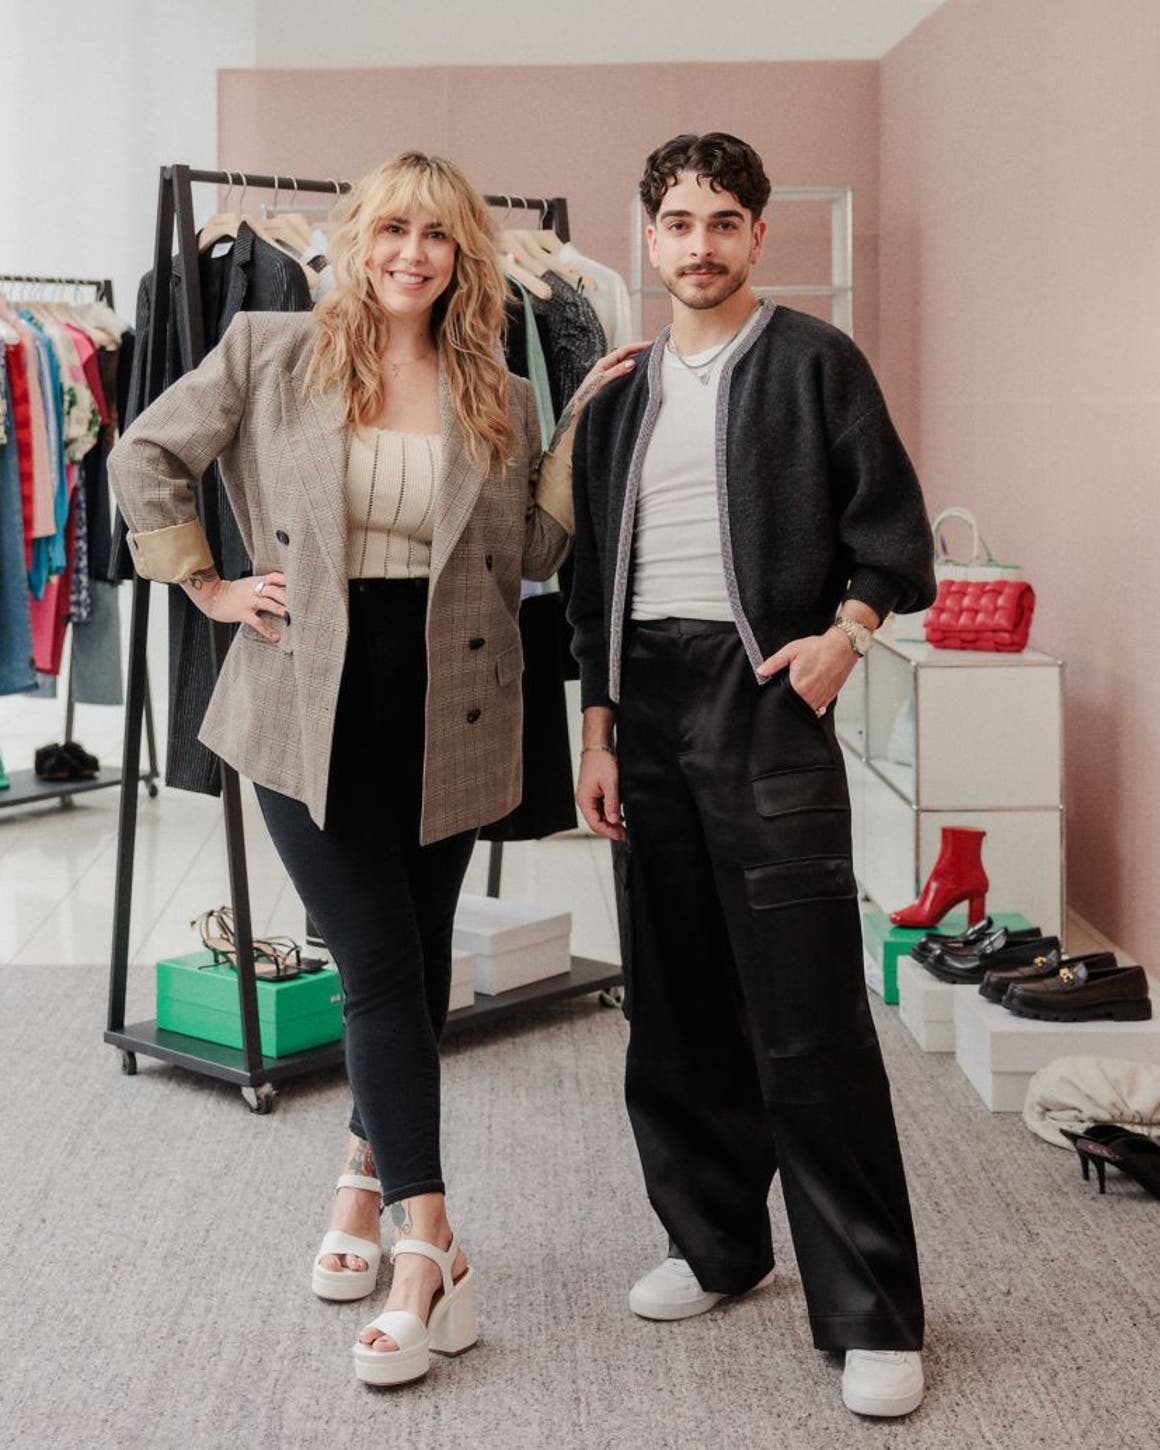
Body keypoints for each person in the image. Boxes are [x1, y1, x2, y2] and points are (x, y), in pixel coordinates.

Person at [109, 151, 640, 1388]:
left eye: (437, 237)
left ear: (466, 257)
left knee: (412, 953)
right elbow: (144, 456)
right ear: (355, 241)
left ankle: (359, 1181)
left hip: (453, 700)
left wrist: (577, 429)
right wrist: (208, 583)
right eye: (392, 229)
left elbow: (536, 547)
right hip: (306, 699)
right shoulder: (268, 347)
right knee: (379, 966)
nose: (412, 253)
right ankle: (430, 1245)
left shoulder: (497, 385)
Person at [567, 133, 937, 1419]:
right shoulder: (614, 391)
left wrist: (847, 635)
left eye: (724, 220)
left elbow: (893, 533)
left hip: (764, 693)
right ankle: (714, 1245)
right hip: (644, 709)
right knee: (670, 1002)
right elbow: (581, 583)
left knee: (805, 1014)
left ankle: (872, 1310)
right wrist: (598, 726)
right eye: (677, 221)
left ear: (758, 235)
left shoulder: (814, 363)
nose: (700, 243)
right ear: (649, 235)